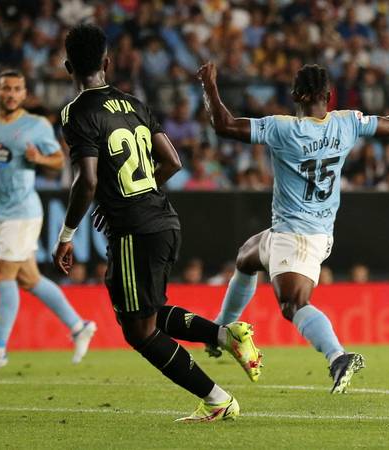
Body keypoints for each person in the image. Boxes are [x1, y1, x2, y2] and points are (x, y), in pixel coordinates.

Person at [52, 24, 261, 423]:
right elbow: (172, 162)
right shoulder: (134, 104)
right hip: (163, 219)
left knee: (138, 331)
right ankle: (225, 335)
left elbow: (87, 180)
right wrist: (138, 193)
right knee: (146, 312)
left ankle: (217, 399)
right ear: (107, 63)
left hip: (134, 229)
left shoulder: (75, 112)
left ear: (67, 67)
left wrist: (67, 235)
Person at [197, 61, 389, 393]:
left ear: (295, 95)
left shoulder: (283, 128)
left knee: (293, 305)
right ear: (329, 95)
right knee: (247, 257)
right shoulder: (347, 122)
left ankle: (338, 356)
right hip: (307, 231)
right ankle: (220, 330)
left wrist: (209, 86)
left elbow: (224, 125)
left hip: (298, 237)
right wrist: (387, 120)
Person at [0, 69, 97, 373]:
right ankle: (79, 326)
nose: (11, 94)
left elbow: (58, 160)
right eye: (5, 88)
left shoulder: (36, 125)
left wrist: (39, 159)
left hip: (23, 211)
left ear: (24, 94)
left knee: (3, 274)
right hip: (1, 211)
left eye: (16, 89)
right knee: (29, 279)